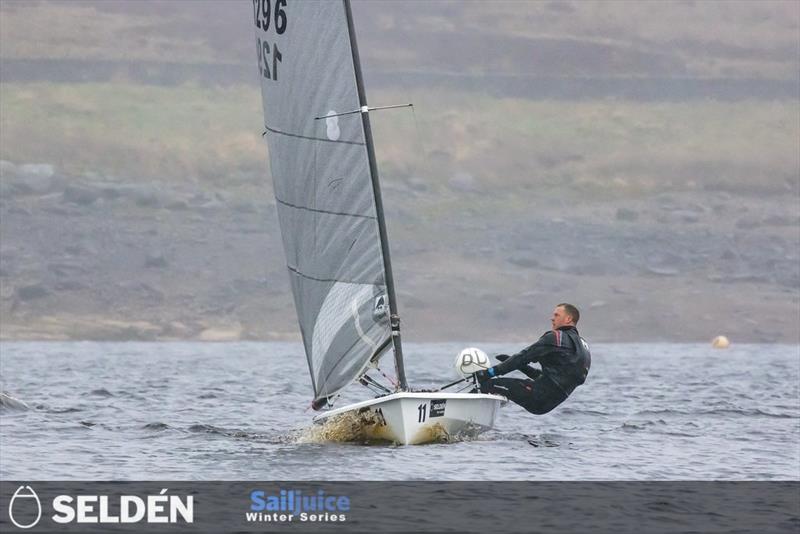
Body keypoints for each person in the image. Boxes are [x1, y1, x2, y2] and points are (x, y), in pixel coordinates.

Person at [474, 303, 591, 415]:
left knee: (487, 385)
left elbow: (522, 357)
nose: (552, 318)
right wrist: (522, 367)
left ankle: (465, 418)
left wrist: (489, 372)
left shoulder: (556, 338)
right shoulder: (584, 348)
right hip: (549, 402)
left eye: (556, 315)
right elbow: (558, 379)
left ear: (568, 319)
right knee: (497, 387)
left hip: (538, 395)